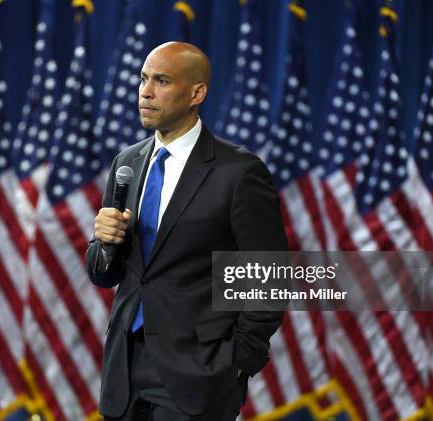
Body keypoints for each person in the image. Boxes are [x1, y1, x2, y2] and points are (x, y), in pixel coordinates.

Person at [86, 41, 288, 421]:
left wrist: (237, 360)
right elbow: (104, 274)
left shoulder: (239, 172)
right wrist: (103, 243)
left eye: (161, 81)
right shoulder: (127, 163)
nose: (145, 91)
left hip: (199, 376)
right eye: (143, 79)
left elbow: (270, 276)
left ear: (197, 93)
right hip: (124, 371)